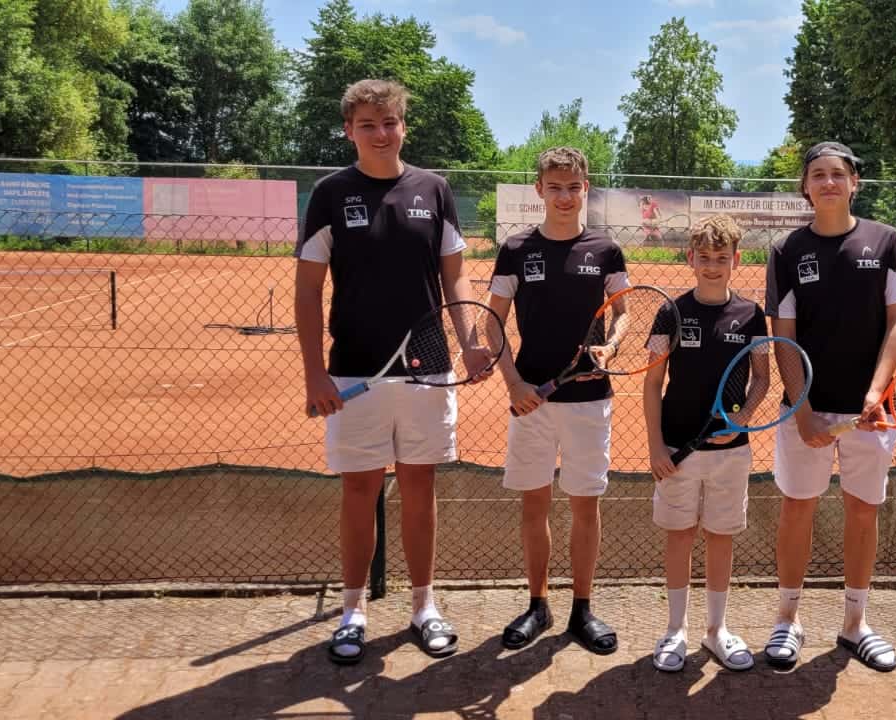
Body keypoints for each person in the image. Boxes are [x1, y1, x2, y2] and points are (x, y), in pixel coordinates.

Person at [295, 78, 490, 665]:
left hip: (428, 368)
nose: (380, 134)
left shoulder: (434, 189)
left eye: (389, 122)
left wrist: (470, 342)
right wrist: (314, 375)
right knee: (359, 490)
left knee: (420, 488)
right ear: (349, 131)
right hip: (353, 369)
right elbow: (308, 290)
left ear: (403, 126)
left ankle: (424, 606)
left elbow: (455, 275)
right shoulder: (330, 194)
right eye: (367, 124)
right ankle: (353, 611)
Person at [762, 141, 896, 673]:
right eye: (818, 175)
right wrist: (802, 407)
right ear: (805, 187)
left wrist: (875, 393)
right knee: (797, 508)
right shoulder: (785, 249)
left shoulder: (885, 240)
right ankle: (787, 619)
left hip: (872, 413)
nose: (828, 182)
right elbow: (783, 332)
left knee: (862, 511)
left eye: (838, 174)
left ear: (854, 183)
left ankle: (854, 624)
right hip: (807, 410)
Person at [487, 146, 628, 655]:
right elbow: (492, 322)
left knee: (585, 505)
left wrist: (612, 346)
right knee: (535, 504)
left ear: (585, 188)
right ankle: (538, 604)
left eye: (573, 187)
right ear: (539, 190)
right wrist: (513, 384)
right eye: (555, 187)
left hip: (590, 398)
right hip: (531, 400)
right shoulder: (515, 249)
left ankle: (582, 609)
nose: (564, 196)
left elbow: (623, 313)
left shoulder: (606, 250)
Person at [643, 214, 769, 673]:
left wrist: (743, 418)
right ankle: (675, 630)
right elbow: (652, 383)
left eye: (721, 257)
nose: (712, 266)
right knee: (680, 536)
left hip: (730, 453)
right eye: (705, 257)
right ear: (690, 258)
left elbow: (762, 379)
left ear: (737, 260)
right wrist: (656, 447)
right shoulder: (670, 312)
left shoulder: (752, 314)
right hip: (678, 451)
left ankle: (716, 630)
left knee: (720, 537)